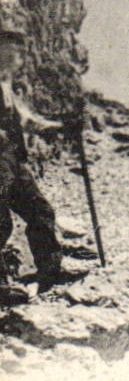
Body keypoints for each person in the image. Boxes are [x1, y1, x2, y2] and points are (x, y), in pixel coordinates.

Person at [0, 23, 64, 300]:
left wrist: (59, 126)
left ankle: (50, 273)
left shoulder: (6, 86)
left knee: (40, 211)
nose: (21, 56)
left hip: (11, 160)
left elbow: (26, 120)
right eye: (14, 49)